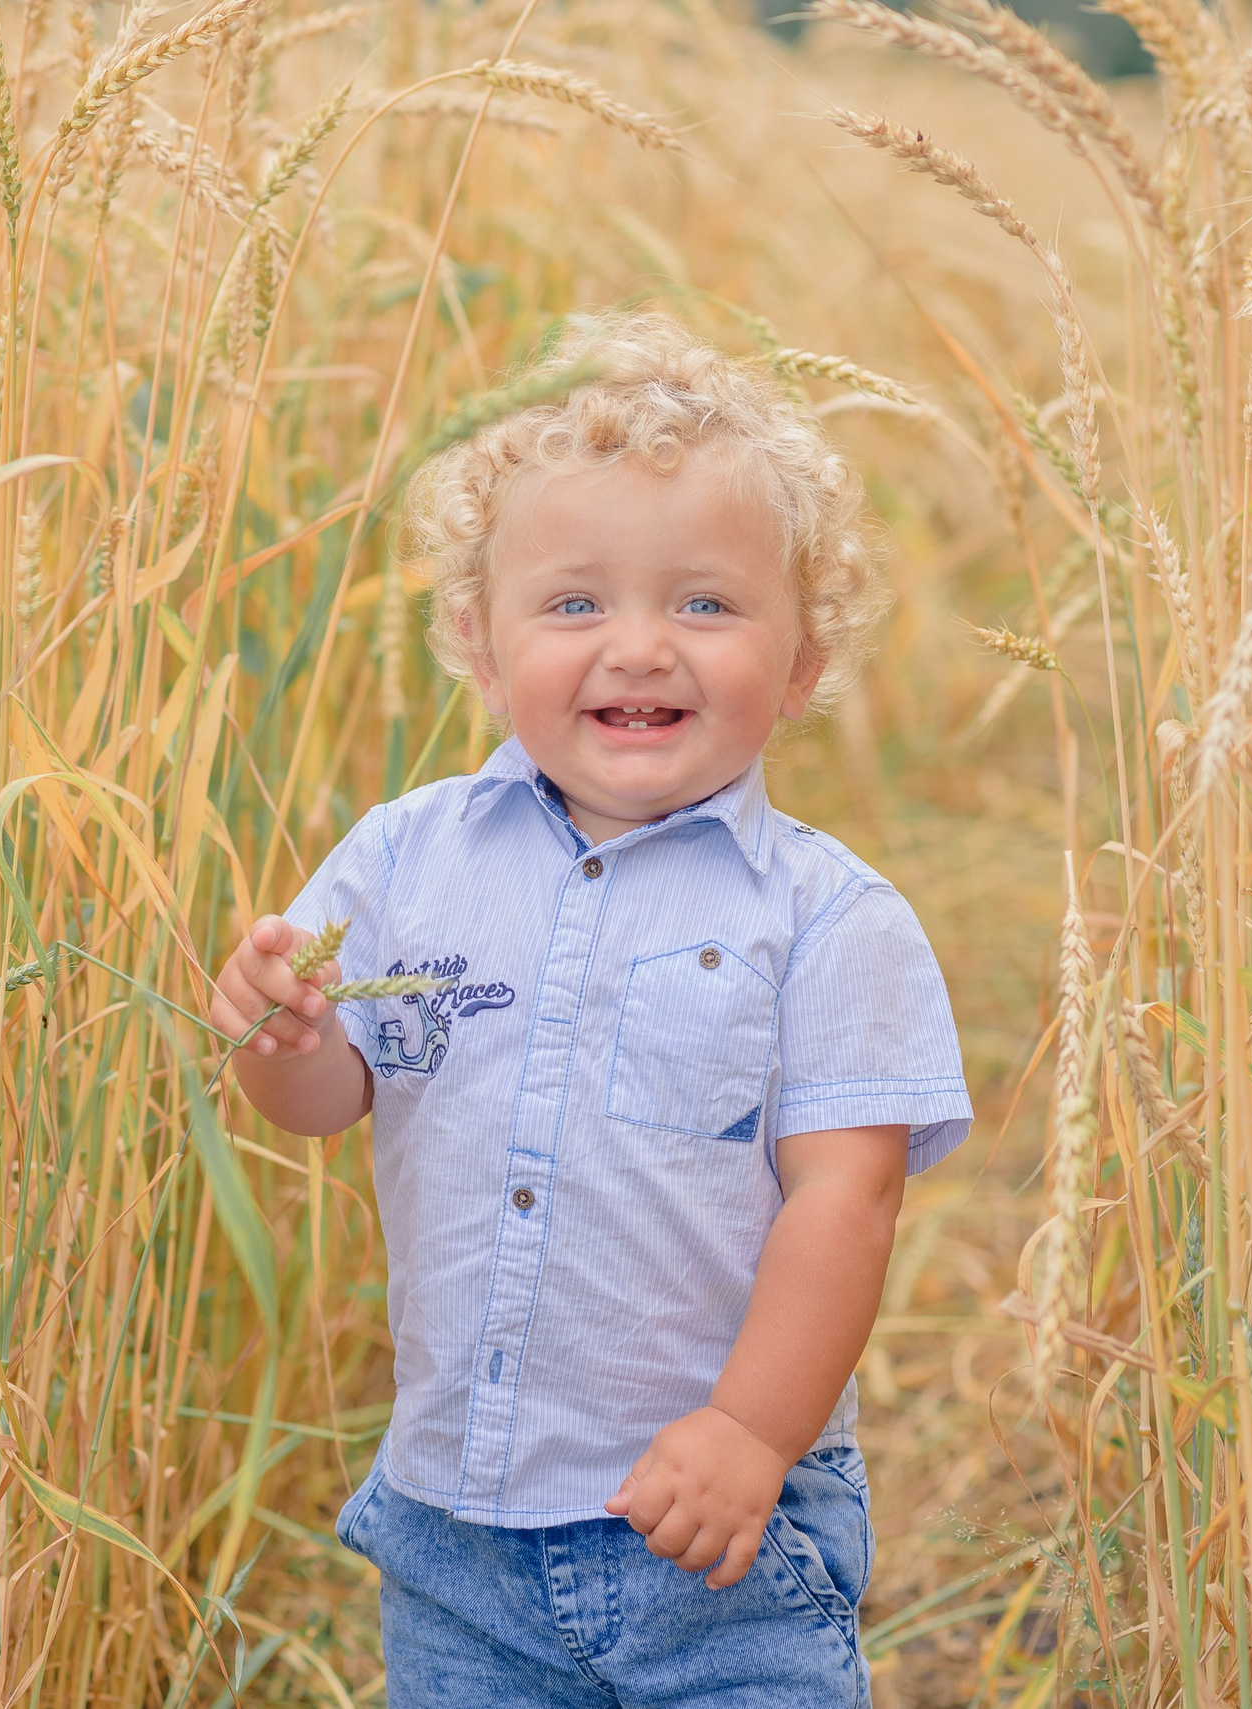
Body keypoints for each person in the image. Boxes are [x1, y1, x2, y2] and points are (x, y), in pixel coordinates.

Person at [209, 309, 972, 1707]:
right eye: (574, 605)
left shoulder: (827, 919)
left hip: (716, 1532)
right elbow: (327, 1101)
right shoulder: (402, 858)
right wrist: (280, 1034)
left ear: (802, 662)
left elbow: (843, 1203)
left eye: (705, 603)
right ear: (482, 649)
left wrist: (751, 1428)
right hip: (458, 1528)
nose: (639, 647)